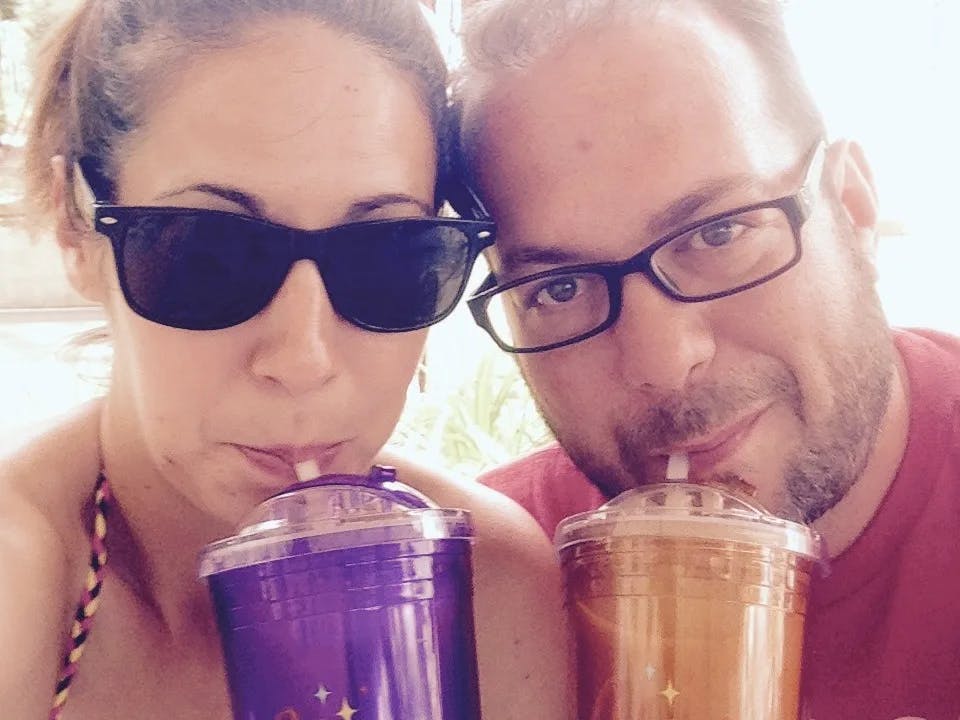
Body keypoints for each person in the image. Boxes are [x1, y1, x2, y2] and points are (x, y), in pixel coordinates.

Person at [0, 2, 572, 719]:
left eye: (388, 255)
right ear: (73, 229)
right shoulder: (20, 591)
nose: (303, 359)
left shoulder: (485, 585)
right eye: (208, 255)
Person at [453, 0, 960, 718]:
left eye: (718, 233)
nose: (661, 363)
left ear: (851, 207)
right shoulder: (479, 594)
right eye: (558, 288)